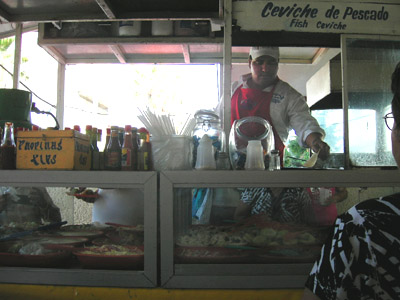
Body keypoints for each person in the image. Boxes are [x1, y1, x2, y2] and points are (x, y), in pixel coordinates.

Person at [302, 61, 400, 300]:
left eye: (321, 148)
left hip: (332, 225)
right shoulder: (310, 173)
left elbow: (342, 194)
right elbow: (303, 200)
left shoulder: (362, 227)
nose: (321, 153)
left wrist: (333, 198)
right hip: (320, 227)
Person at [232, 46, 334, 224]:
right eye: (259, 62)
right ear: (249, 63)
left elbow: (303, 122)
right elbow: (219, 121)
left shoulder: (287, 95)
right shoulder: (233, 90)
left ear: (277, 64)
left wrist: (315, 141)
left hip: (269, 171)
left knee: (271, 223)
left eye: (271, 62)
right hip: (232, 170)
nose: (265, 68)